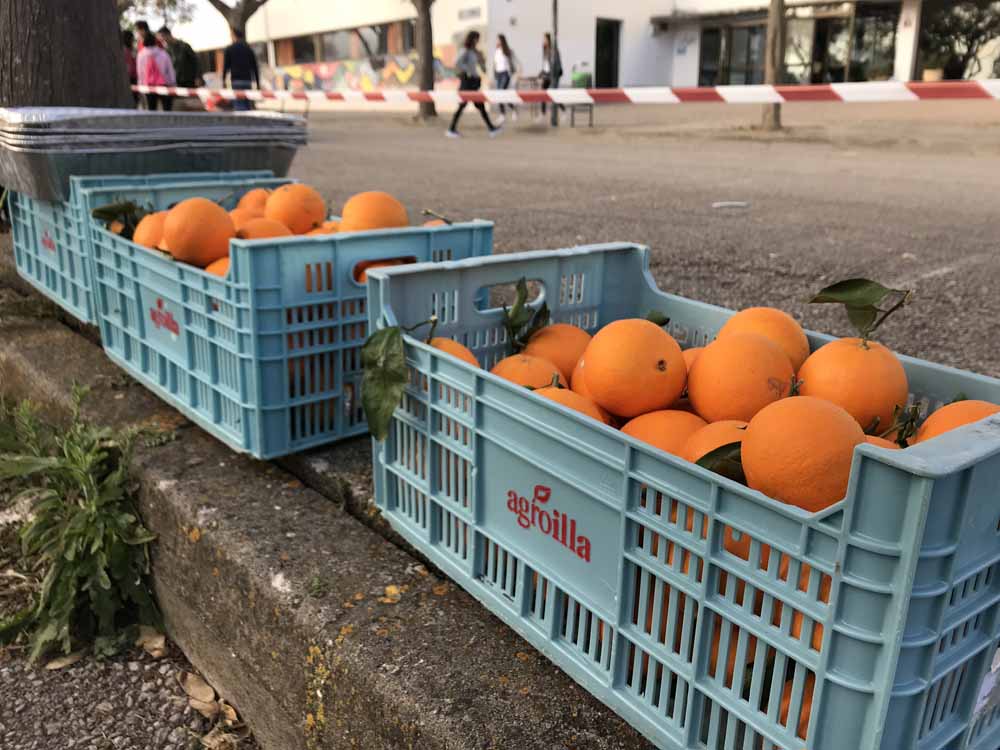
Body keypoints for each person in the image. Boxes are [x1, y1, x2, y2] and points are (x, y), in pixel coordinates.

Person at [447, 31, 501, 139]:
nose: (478, 41)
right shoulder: (465, 50)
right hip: (467, 82)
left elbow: (480, 66)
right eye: (477, 38)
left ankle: (491, 128)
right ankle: (451, 129)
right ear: (472, 39)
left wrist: (482, 62)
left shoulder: (474, 51)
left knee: (479, 105)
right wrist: (468, 71)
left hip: (473, 82)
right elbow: (457, 63)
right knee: (464, 105)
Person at [137, 30, 176, 111]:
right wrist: (173, 83)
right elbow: (170, 70)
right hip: (164, 84)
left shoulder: (141, 55)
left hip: (148, 86)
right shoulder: (163, 53)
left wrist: (141, 85)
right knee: (167, 109)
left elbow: (140, 72)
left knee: (152, 109)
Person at [223, 28, 260, 112]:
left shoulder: (230, 49)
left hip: (236, 81)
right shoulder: (248, 49)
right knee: (247, 105)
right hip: (247, 80)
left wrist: (224, 81)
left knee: (239, 106)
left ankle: (241, 119)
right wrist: (258, 83)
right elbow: (254, 67)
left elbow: (226, 67)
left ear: (234, 35)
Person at [539, 32, 564, 120]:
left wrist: (557, 73)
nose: (543, 40)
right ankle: (543, 113)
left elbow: (557, 62)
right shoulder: (545, 49)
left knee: (554, 94)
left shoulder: (553, 50)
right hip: (546, 75)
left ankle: (563, 110)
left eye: (544, 39)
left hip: (553, 75)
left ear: (548, 40)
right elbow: (545, 64)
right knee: (543, 93)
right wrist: (541, 73)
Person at [493, 34, 517, 124]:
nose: (497, 41)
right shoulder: (496, 51)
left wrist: (514, 71)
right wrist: (494, 73)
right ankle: (503, 114)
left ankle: (512, 110)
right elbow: (495, 64)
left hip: (505, 74)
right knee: (501, 95)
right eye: (497, 40)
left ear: (502, 40)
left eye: (498, 40)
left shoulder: (507, 50)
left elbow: (513, 62)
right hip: (498, 74)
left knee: (501, 93)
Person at [122, 30, 139, 105]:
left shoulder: (129, 50)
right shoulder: (126, 51)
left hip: (131, 78)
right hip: (130, 79)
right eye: (132, 39)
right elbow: (129, 67)